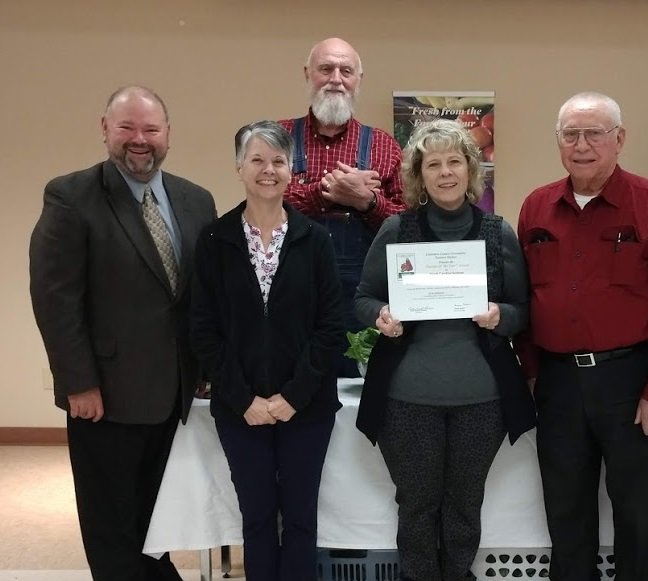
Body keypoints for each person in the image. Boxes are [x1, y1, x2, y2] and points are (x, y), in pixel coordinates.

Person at [29, 86, 217, 580]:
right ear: (105, 129)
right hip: (105, 395)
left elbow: (202, 296)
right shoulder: (71, 196)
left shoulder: (197, 200)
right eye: (127, 127)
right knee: (111, 524)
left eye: (151, 130)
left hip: (174, 394)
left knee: (157, 516)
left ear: (168, 135)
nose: (140, 139)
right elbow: (55, 299)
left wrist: (204, 368)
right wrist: (77, 383)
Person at [515, 92, 648, 581]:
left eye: (594, 133)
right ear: (558, 142)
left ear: (619, 139)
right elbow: (526, 297)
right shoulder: (537, 207)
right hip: (557, 383)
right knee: (565, 508)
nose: (582, 145)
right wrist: (533, 372)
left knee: (638, 512)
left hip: (632, 383)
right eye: (571, 134)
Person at [353, 119, 535, 581]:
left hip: (482, 400)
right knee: (416, 505)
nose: (446, 172)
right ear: (420, 174)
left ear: (471, 170)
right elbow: (362, 298)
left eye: (455, 161)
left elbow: (523, 309)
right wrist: (381, 317)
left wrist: (501, 317)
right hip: (408, 399)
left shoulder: (497, 232)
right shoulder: (397, 229)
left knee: (463, 506)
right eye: (433, 164)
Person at [189, 121, 345, 581]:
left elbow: (330, 329)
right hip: (241, 410)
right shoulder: (214, 241)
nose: (268, 170)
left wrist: (292, 397)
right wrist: (245, 400)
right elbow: (204, 329)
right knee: (255, 520)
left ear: (291, 170)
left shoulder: (314, 239)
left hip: (307, 408)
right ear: (239, 167)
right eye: (256, 159)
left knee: (300, 520)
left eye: (278, 161)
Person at [280, 37, 405, 378]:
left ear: (358, 80)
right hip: (289, 290)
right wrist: (328, 192)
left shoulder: (384, 145)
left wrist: (367, 202)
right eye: (326, 69)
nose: (336, 78)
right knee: (293, 379)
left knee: (357, 385)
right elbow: (266, 202)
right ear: (308, 74)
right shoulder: (277, 137)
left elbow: (407, 225)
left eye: (345, 70)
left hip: (361, 296)